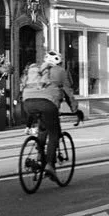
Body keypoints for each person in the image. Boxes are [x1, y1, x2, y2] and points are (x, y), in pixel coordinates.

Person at [21, 49, 80, 183]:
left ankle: (39, 156)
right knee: (54, 133)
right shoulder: (60, 71)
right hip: (48, 104)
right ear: (59, 62)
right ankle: (50, 165)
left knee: (43, 128)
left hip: (27, 102)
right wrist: (75, 110)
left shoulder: (35, 69)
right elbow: (68, 92)